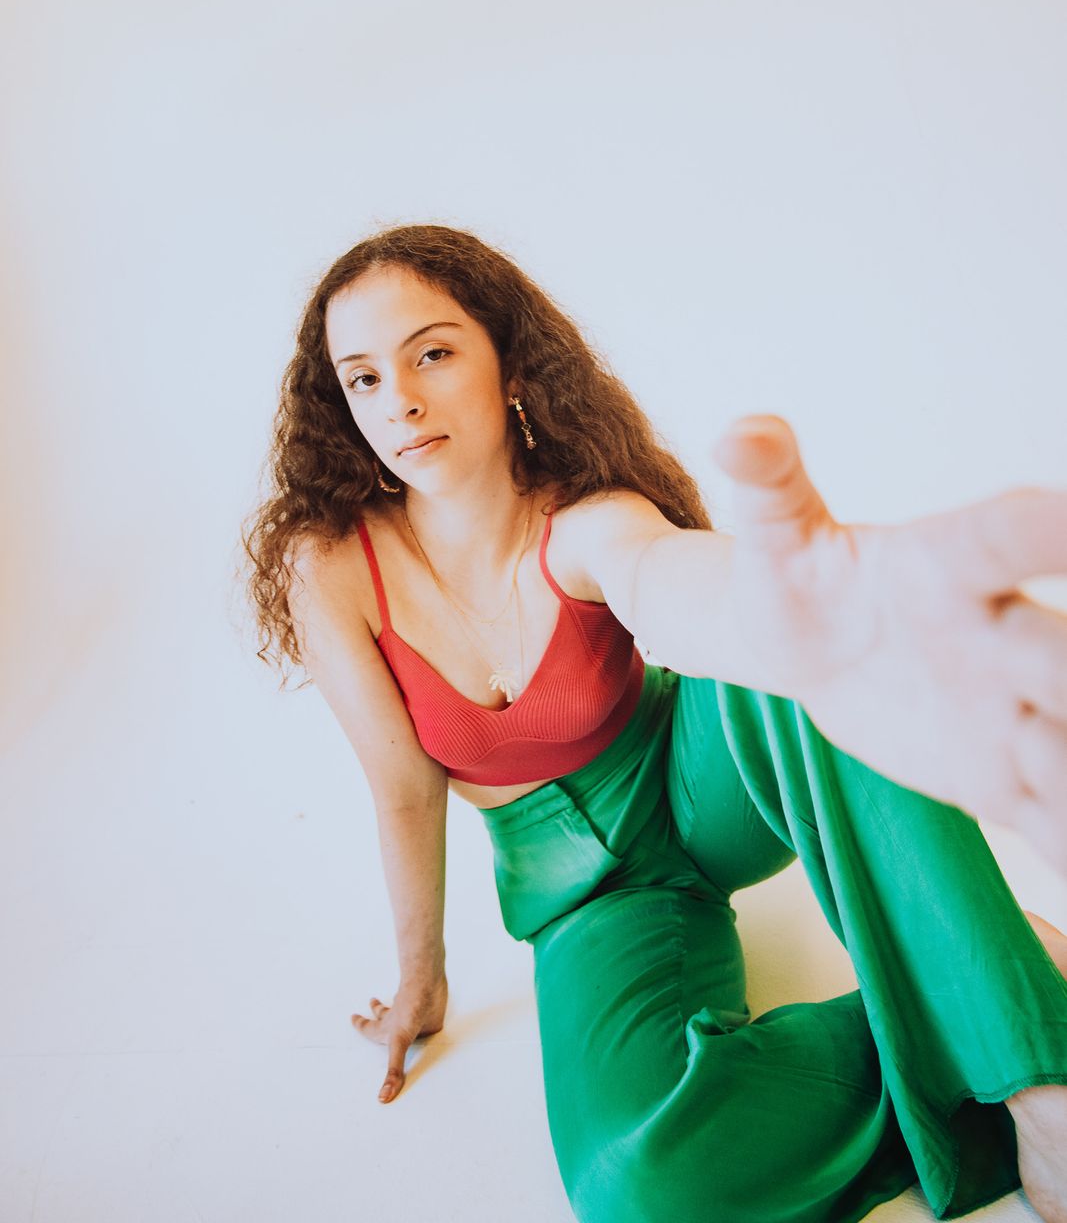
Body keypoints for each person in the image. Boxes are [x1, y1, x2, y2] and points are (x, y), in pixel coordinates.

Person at [241, 222, 1067, 1222]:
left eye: (433, 353)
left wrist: (790, 607)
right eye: (363, 378)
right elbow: (403, 787)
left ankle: (1035, 1081)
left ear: (507, 363)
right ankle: (1000, 970)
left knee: (807, 654)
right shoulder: (332, 564)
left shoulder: (586, 515)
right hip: (591, 896)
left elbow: (673, 582)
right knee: (638, 1188)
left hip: (698, 780)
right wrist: (423, 976)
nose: (399, 400)